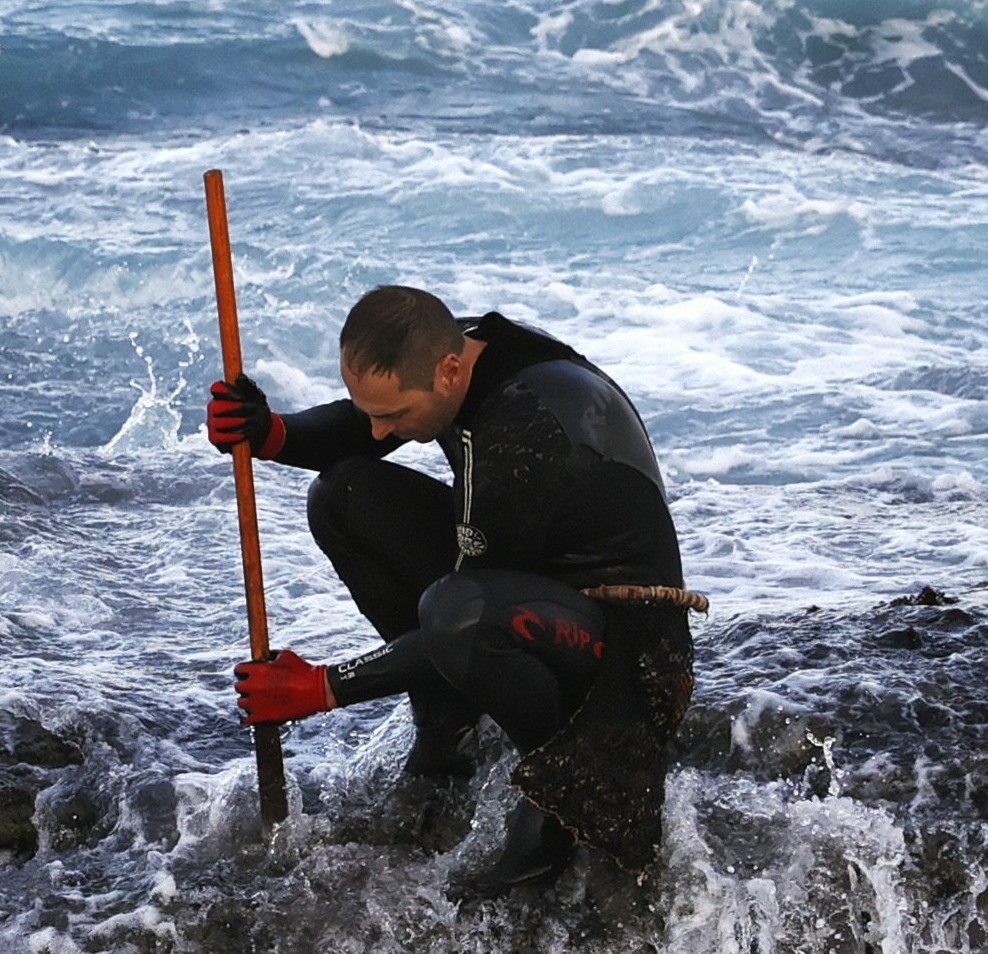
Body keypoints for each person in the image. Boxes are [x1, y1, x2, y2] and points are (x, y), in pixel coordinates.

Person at [210, 286, 701, 891]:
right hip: (532, 580)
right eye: (373, 410)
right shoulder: (455, 350)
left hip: (624, 638)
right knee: (342, 496)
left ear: (447, 372)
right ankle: (448, 713)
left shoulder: (519, 430)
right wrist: (272, 433)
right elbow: (359, 428)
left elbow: (463, 611)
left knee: (455, 613)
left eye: (394, 416)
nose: (380, 428)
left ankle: (554, 787)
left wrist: (322, 687)